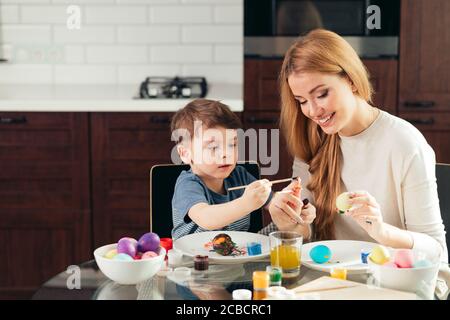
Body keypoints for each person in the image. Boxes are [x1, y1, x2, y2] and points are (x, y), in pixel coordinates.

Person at [267, 29, 448, 262]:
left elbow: (437, 251)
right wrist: (291, 224)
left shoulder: (404, 143)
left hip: (389, 281)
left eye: (321, 94)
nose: (312, 111)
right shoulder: (312, 138)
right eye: (302, 101)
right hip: (328, 277)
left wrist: (382, 231)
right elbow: (308, 238)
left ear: (351, 80)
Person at [170, 99, 316, 239]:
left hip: (236, 254)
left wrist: (289, 205)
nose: (226, 154)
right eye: (213, 147)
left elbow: (273, 202)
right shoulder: (188, 184)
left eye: (232, 144)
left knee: (283, 228)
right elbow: (206, 218)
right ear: (185, 154)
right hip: (194, 260)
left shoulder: (239, 176)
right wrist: (246, 203)